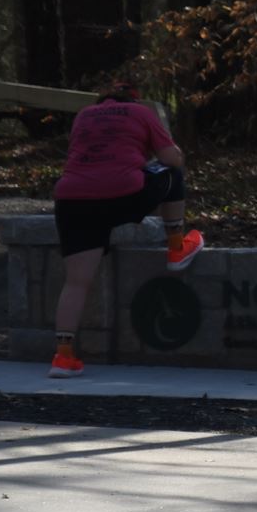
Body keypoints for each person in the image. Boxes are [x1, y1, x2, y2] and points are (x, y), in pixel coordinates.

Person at [48, 81, 204, 377]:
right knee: (172, 174)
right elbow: (171, 158)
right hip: (122, 193)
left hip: (73, 200)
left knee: (77, 282)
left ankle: (63, 357)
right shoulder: (141, 112)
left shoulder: (84, 115)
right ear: (135, 98)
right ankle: (176, 247)